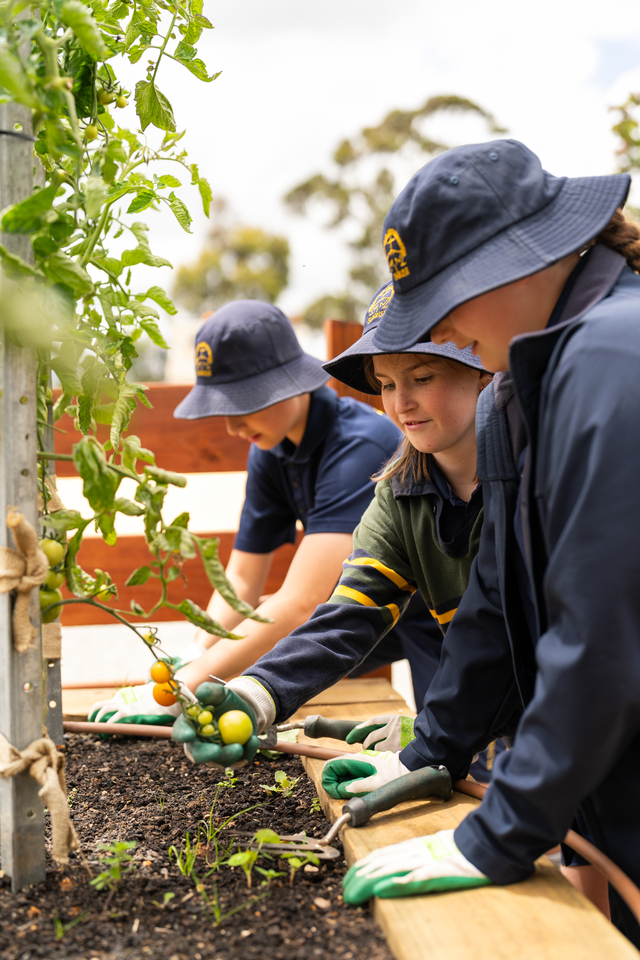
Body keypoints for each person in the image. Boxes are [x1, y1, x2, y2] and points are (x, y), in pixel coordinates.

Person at [316, 139, 640, 939]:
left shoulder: (614, 360)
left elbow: (603, 631)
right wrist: (432, 749)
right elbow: (498, 594)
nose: (442, 329)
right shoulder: (517, 394)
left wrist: (499, 834)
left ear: (521, 262)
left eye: (446, 301)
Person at [179, 284, 506, 782]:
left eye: (422, 377)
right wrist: (256, 693)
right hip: (474, 693)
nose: (402, 404)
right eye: (386, 385)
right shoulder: (400, 492)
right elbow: (348, 613)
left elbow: (519, 642)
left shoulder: (527, 478)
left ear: (482, 364)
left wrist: (434, 740)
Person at [90, 299, 437, 726]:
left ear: (289, 383)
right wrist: (200, 650)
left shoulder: (359, 444)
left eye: (244, 404)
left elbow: (302, 601)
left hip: (429, 610)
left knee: (455, 737)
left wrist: (186, 686)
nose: (233, 427)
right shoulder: (271, 449)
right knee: (265, 656)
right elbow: (242, 578)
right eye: (224, 410)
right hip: (356, 614)